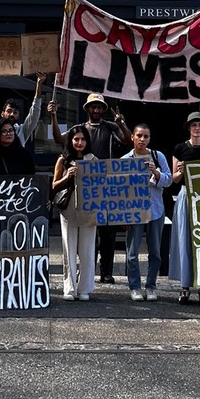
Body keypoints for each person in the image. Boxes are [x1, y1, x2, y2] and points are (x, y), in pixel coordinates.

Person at [74, 92, 132, 283]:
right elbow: (59, 139)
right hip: (86, 184)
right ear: (88, 109)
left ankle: (106, 272)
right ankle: (86, 271)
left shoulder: (111, 126)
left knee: (108, 232)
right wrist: (54, 116)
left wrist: (121, 122)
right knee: (88, 231)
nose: (96, 110)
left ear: (103, 109)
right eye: (93, 107)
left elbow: (128, 140)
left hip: (107, 184)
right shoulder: (80, 129)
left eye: (99, 107)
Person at [169, 111, 200, 305]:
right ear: (189, 128)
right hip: (185, 195)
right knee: (184, 240)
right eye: (193, 125)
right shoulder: (180, 148)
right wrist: (180, 171)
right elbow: (174, 179)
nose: (196, 128)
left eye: (199, 125)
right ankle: (184, 287)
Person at [122, 123, 172, 302]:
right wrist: (123, 214)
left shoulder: (158, 157)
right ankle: (135, 287)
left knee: (156, 252)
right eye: (139, 136)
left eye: (146, 136)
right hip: (134, 211)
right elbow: (120, 190)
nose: (142, 139)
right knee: (133, 252)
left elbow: (169, 180)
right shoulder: (125, 160)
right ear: (132, 137)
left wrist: (156, 173)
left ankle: (151, 286)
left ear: (149, 139)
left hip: (155, 210)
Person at [52, 126, 97, 300]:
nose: (80, 143)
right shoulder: (63, 160)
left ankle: (85, 288)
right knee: (68, 247)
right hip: (69, 206)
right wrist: (67, 176)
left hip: (88, 207)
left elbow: (102, 183)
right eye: (76, 139)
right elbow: (54, 185)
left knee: (87, 249)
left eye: (83, 139)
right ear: (70, 141)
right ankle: (69, 288)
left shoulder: (93, 159)